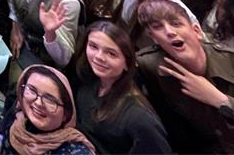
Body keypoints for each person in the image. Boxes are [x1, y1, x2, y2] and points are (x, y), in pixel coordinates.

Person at [136, 0, 234, 154]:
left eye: (176, 24)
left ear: (196, 31)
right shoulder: (150, 66)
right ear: (154, 39)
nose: (169, 32)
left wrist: (221, 101)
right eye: (158, 27)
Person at [72, 21, 170, 154]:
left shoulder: (139, 117)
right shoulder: (89, 83)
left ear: (127, 64)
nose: (99, 57)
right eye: (93, 46)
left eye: (111, 54)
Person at [0, 65, 95, 155]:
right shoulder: (15, 125)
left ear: (66, 114)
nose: (38, 103)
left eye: (50, 100)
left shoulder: (75, 151)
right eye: (32, 90)